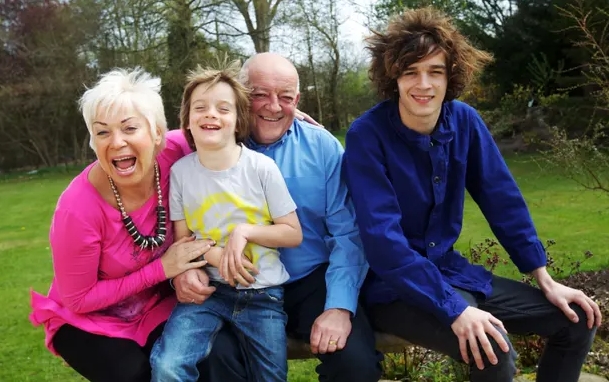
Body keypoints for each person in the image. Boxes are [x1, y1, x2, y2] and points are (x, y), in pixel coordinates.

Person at [341, 7, 602, 382]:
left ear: (451, 76)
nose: (424, 85)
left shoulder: (464, 121)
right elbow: (384, 244)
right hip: (394, 288)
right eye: (410, 72)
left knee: (575, 320)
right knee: (492, 351)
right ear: (392, 77)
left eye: (435, 71)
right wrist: (456, 311)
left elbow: (502, 200)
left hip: (451, 272)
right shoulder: (367, 136)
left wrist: (544, 278)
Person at [173, 52, 384, 382]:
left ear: (297, 100)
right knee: (215, 361)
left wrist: (339, 307)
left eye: (286, 98)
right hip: (234, 284)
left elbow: (349, 233)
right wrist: (181, 274)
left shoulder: (322, 147)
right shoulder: (207, 143)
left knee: (354, 364)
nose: (273, 106)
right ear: (239, 96)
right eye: (259, 95)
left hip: (310, 281)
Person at [29, 68, 219, 382]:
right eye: (102, 132)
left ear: (157, 133)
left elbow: (227, 128)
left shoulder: (177, 151)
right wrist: (162, 269)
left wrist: (291, 121)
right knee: (133, 373)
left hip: (155, 305)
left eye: (129, 128)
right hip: (86, 319)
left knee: (208, 357)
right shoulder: (77, 209)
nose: (117, 142)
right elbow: (78, 299)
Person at [150, 62, 303, 382]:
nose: (211, 114)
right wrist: (214, 255)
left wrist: (243, 232)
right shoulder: (181, 173)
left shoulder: (261, 168)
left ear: (238, 120)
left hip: (263, 294)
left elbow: (292, 233)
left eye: (223, 108)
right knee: (167, 365)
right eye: (200, 108)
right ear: (188, 120)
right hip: (208, 294)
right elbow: (183, 242)